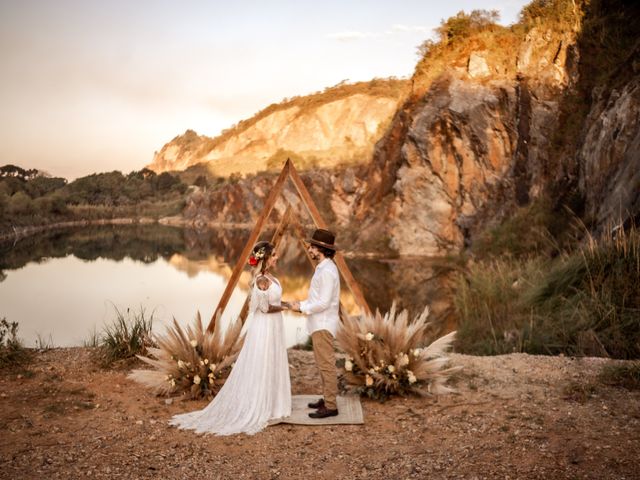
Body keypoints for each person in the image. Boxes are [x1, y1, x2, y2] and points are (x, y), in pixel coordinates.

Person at [169, 241, 291, 435]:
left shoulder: (271, 278)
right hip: (265, 326)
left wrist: (287, 303)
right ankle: (260, 402)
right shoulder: (261, 280)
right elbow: (265, 308)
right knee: (264, 360)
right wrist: (287, 307)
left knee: (273, 360)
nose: (277, 257)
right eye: (274, 254)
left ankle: (274, 402)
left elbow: (273, 301)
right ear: (266, 257)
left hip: (274, 325)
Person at [290, 229, 341, 419]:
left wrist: (300, 307)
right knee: (322, 365)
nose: (309, 249)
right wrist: (301, 304)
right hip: (319, 323)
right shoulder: (324, 267)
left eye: (312, 246)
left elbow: (323, 303)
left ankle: (331, 406)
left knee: (326, 365)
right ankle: (327, 398)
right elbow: (317, 297)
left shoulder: (327, 271)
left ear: (320, 249)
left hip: (323, 324)